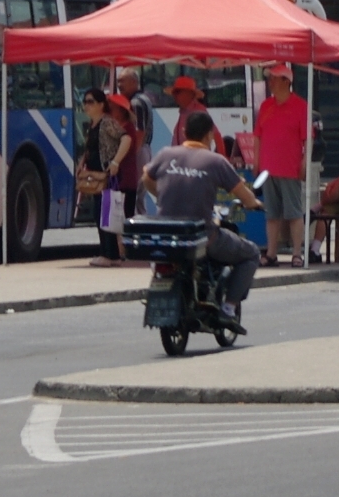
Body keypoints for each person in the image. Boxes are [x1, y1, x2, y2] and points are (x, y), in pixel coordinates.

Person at [142, 111, 256, 328]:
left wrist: (160, 194)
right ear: (209, 135)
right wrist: (254, 204)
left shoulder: (166, 154)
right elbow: (244, 195)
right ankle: (228, 309)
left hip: (167, 236)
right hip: (202, 236)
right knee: (251, 253)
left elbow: (146, 177)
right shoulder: (215, 161)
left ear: (184, 133)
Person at [251, 66, 308, 266]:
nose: (270, 82)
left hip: (289, 166)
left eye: (274, 79)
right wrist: (256, 161)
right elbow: (258, 136)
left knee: (294, 212)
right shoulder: (266, 106)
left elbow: (307, 139)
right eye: (270, 79)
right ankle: (272, 252)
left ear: (286, 81)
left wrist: (304, 163)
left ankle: (297, 253)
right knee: (272, 214)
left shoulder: (301, 106)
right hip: (268, 167)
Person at [76, 93, 130, 264]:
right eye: (84, 102)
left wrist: (115, 162)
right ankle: (108, 253)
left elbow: (126, 138)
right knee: (101, 213)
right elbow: (91, 147)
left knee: (105, 213)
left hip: (107, 175)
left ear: (101, 104)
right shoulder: (92, 124)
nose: (86, 105)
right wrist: (82, 161)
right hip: (96, 176)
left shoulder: (106, 122)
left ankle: (109, 255)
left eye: (90, 102)